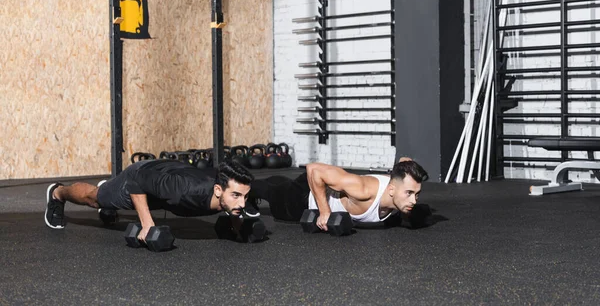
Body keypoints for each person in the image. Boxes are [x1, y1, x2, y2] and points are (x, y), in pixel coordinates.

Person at [44, 159, 259, 240]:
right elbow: (139, 181)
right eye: (236, 196)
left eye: (244, 197)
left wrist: (237, 225)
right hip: (140, 177)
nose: (242, 203)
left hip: (165, 182)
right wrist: (147, 225)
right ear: (219, 190)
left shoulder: (230, 192)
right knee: (96, 199)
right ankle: (58, 192)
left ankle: (108, 192)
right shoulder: (183, 191)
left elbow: (234, 201)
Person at [249, 158, 430, 230]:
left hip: (318, 188)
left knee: (280, 184)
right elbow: (314, 170)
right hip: (305, 197)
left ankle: (277, 182)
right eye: (408, 193)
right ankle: (247, 187)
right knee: (272, 195)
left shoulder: (397, 189)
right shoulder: (362, 190)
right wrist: (325, 211)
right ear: (391, 190)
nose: (413, 200)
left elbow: (404, 160)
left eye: (416, 194)